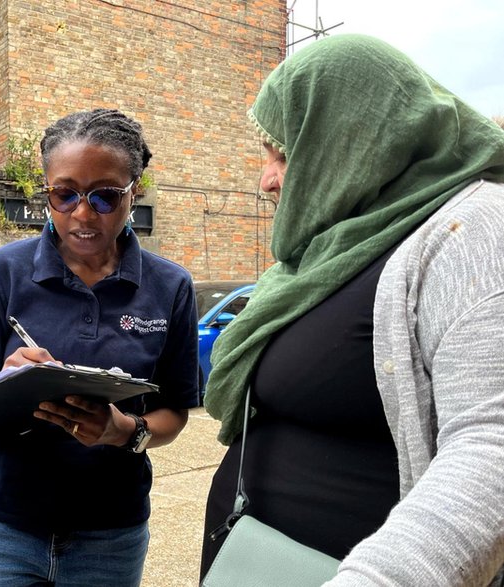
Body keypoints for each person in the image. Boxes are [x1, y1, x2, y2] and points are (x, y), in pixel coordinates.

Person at [200, 34, 504, 585]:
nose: (266, 179)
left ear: (352, 137)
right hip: (253, 556)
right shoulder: (328, 248)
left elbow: (492, 449)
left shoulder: (472, 229)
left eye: (284, 152)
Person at [0, 108, 200, 586]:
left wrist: (124, 430)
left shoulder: (171, 287)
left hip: (110, 531)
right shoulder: (4, 271)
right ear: (47, 191)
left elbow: (175, 412)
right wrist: (5, 384)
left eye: (104, 197)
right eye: (64, 195)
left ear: (133, 191)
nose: (82, 214)